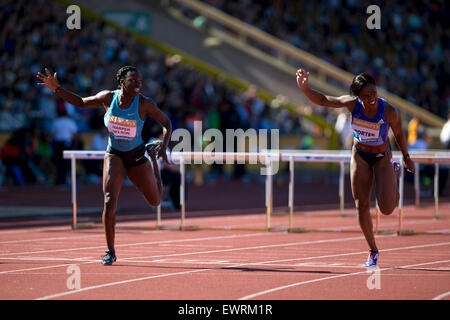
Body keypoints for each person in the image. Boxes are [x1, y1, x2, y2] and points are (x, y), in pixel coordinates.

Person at [37, 66, 172, 265]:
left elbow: (167, 123)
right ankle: (110, 251)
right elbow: (82, 103)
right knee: (109, 200)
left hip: (136, 157)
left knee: (155, 201)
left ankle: (151, 158)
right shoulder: (108, 98)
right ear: (121, 82)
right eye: (133, 81)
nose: (138, 85)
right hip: (114, 154)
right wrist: (58, 89)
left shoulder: (144, 103)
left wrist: (163, 148)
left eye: (140, 82)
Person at [296, 69, 414, 267]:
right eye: (366, 96)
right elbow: (324, 99)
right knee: (362, 206)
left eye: (373, 93)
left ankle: (394, 175)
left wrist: (406, 157)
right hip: (359, 156)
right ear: (358, 97)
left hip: (382, 158)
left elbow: (400, 135)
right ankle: (373, 250)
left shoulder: (388, 111)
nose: (371, 99)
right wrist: (305, 89)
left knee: (386, 209)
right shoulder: (352, 105)